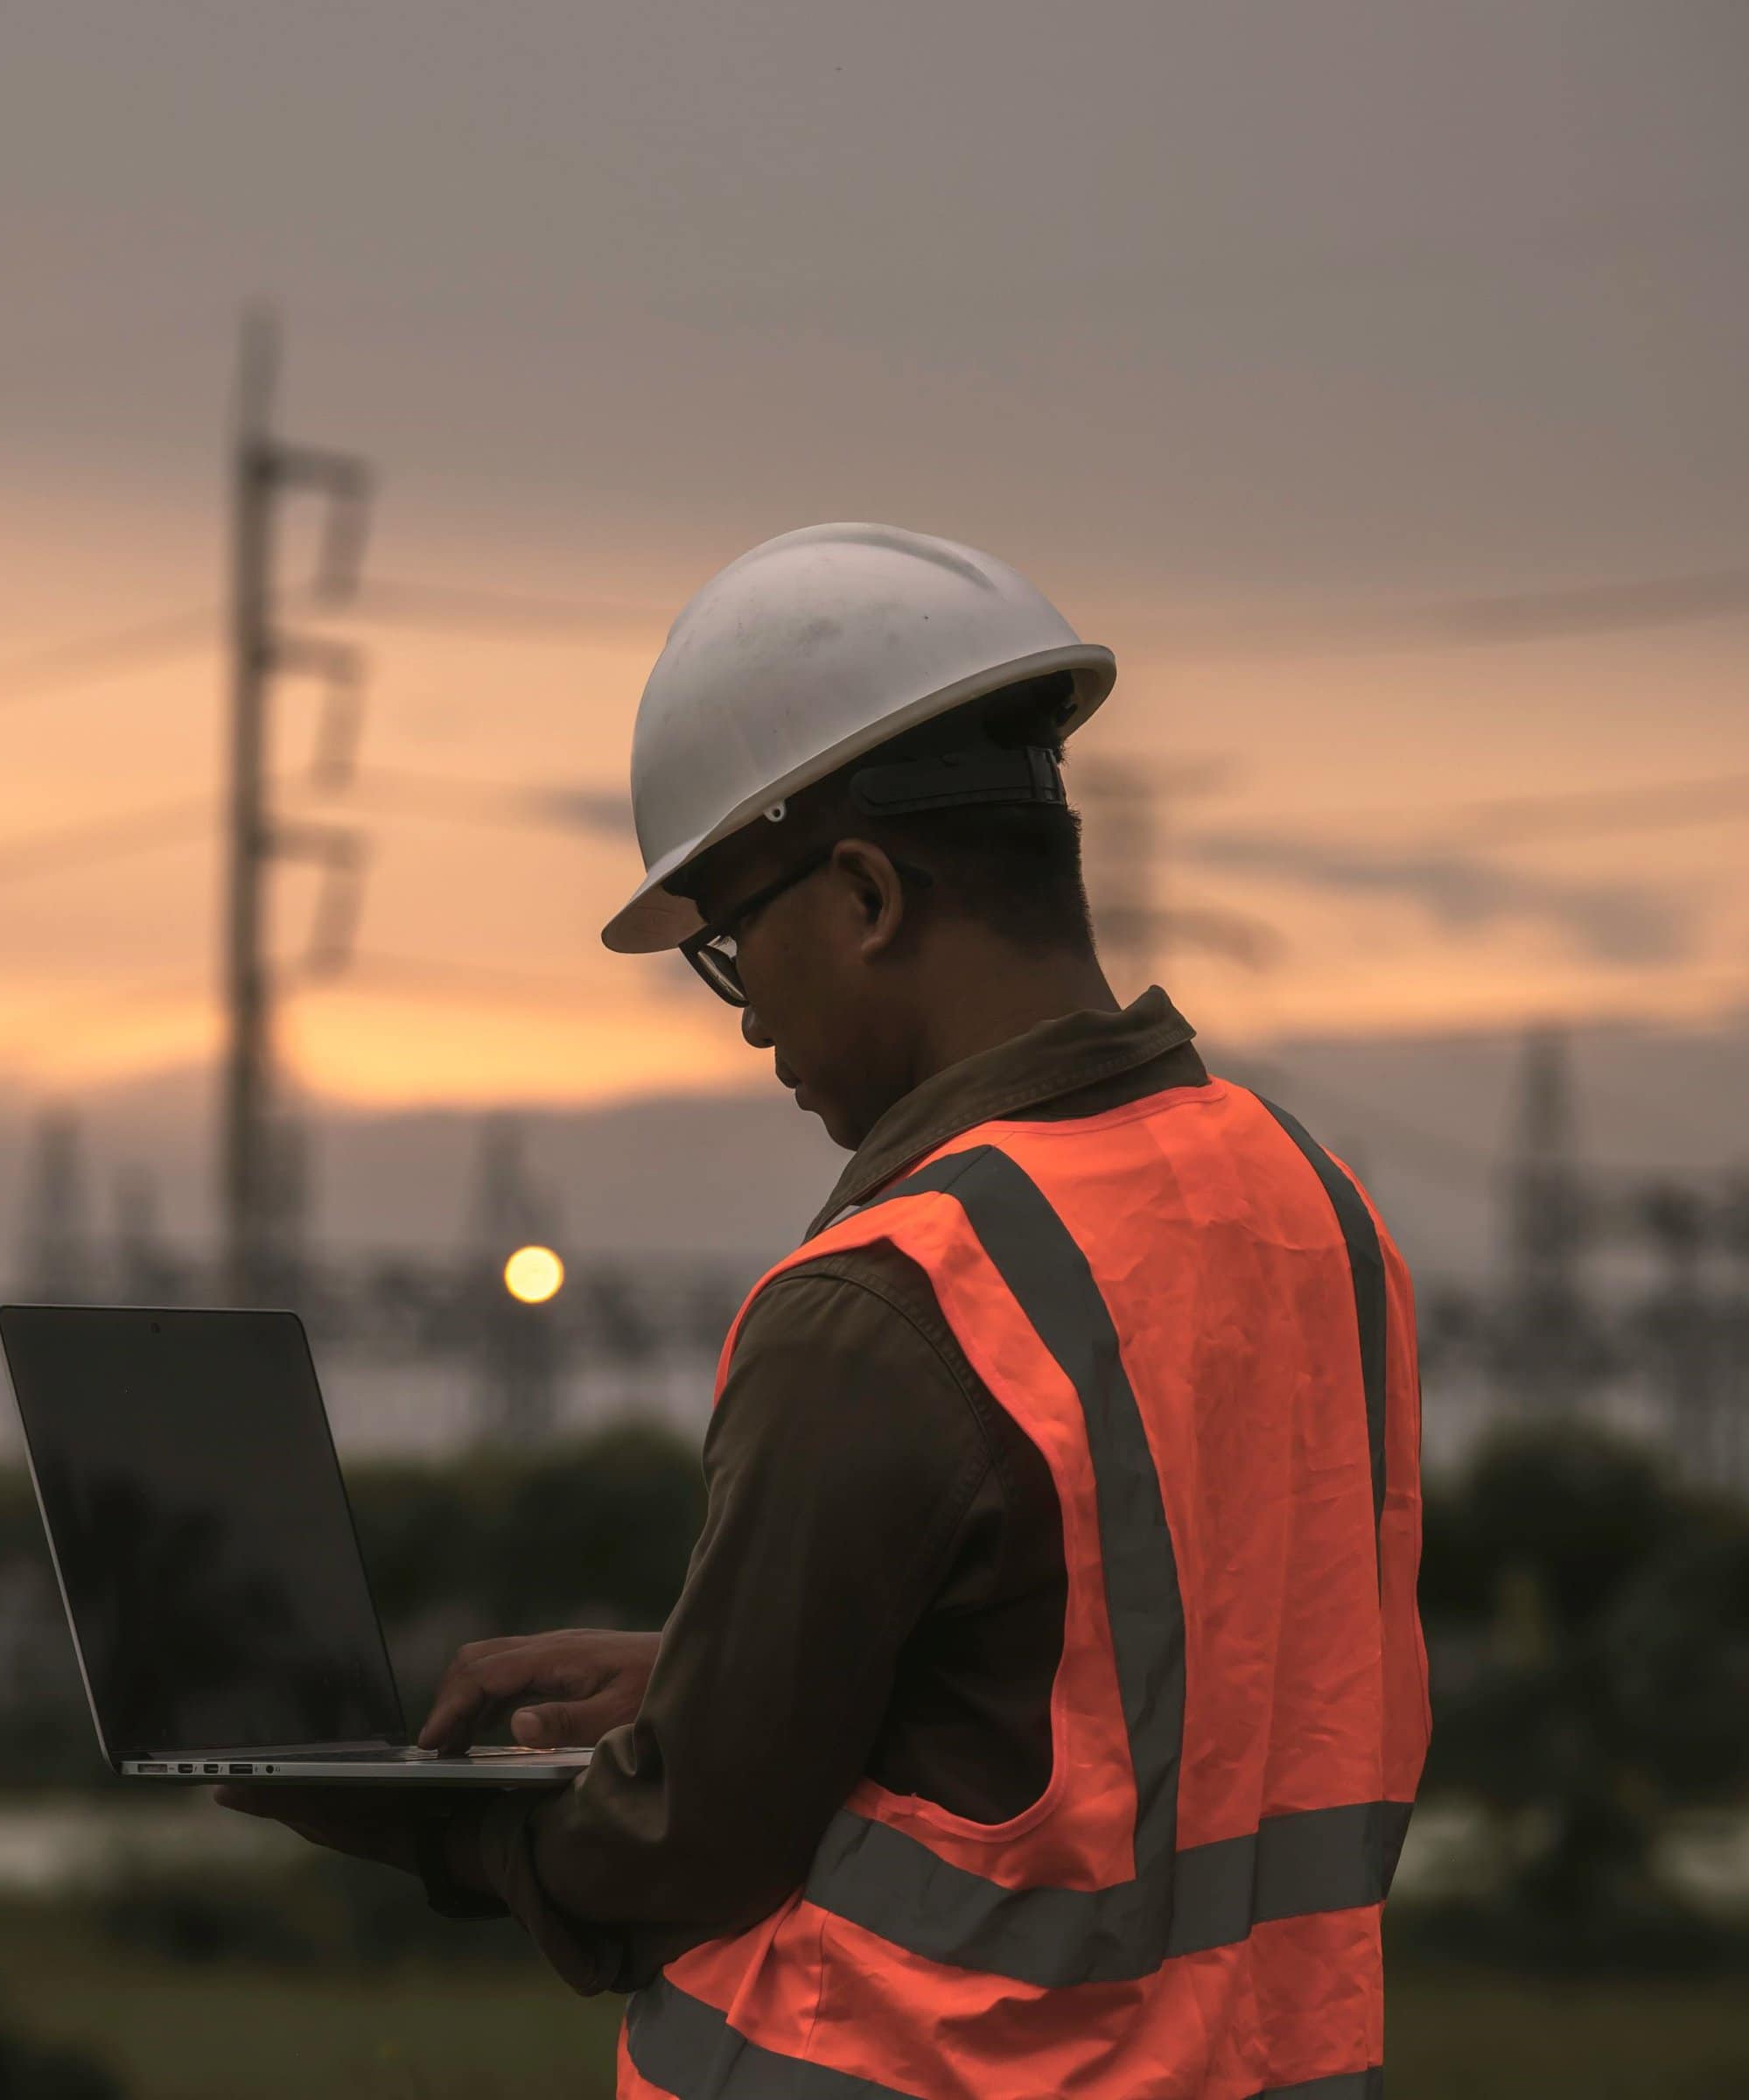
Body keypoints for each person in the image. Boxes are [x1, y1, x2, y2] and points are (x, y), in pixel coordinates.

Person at [223, 523, 1428, 2100]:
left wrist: (413, 1812)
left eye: (731, 948)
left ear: (861, 895)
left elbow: (678, 1841)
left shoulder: (891, 1299)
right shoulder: (1310, 1213)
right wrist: (716, 1665)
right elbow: (1155, 1690)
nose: (749, 1027)